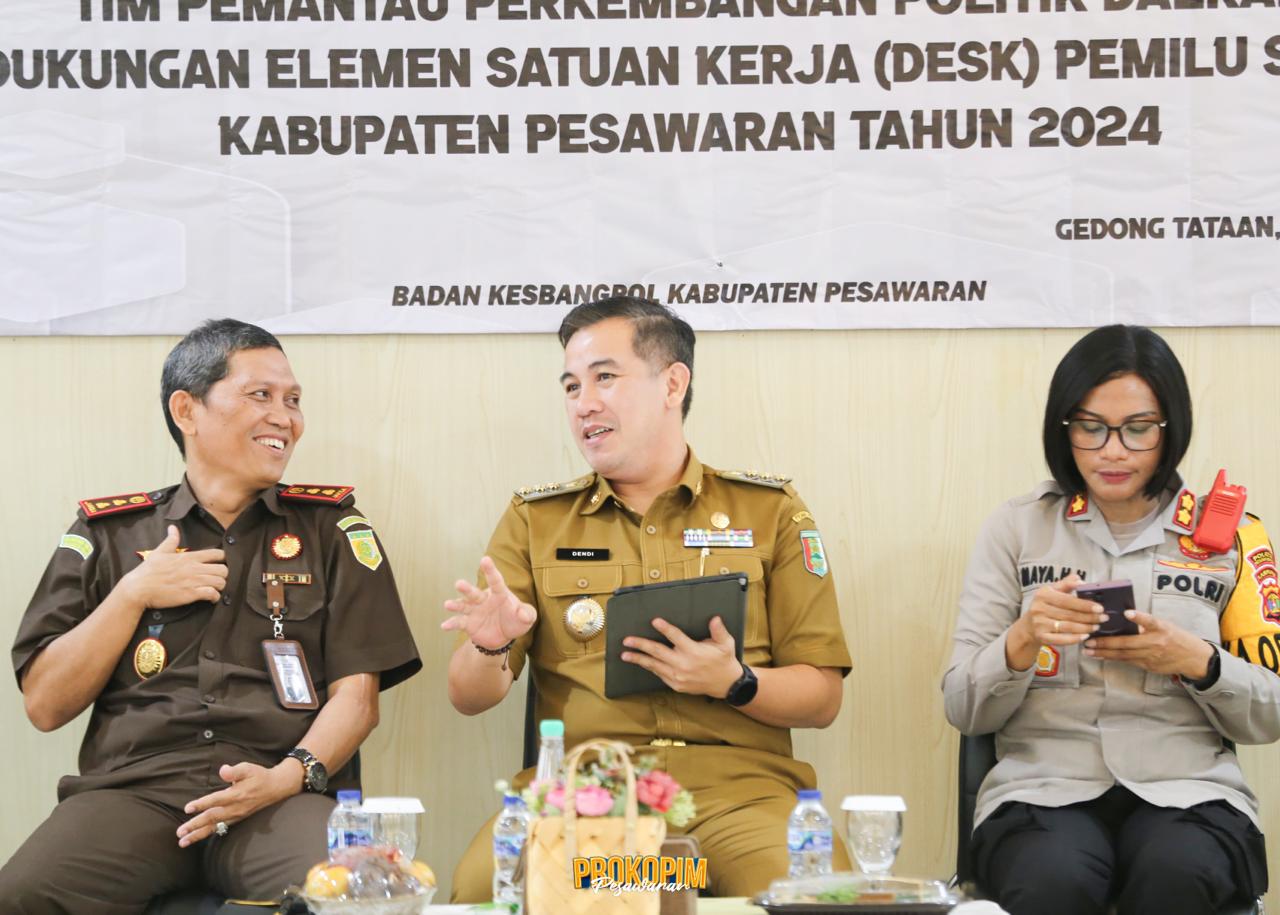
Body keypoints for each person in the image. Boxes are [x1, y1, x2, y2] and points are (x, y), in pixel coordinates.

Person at [2, 319, 422, 913]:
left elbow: (358, 701)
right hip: (132, 798)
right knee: (20, 895)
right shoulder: (110, 535)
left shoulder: (333, 531)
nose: (285, 417)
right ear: (187, 410)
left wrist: (286, 777)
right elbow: (45, 705)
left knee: (364, 894)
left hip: (281, 795)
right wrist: (131, 595)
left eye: (293, 400)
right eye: (261, 395)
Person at [442, 296, 852, 899]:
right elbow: (469, 697)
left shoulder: (770, 512)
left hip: (741, 795)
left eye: (605, 377)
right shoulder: (536, 520)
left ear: (672, 384)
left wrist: (735, 682)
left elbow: (822, 697)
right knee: (488, 890)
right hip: (588, 792)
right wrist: (489, 643)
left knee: (814, 897)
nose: (584, 403)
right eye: (571, 386)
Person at [942, 324, 1280, 915]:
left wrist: (1200, 663)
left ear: (1170, 428)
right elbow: (962, 707)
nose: (1113, 450)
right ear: (1064, 429)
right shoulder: (1017, 529)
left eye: (1138, 428)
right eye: (1090, 427)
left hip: (1188, 792)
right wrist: (1022, 639)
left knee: (1177, 874)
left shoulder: (1234, 538)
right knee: (1053, 880)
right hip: (1044, 792)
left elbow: (1272, 712)